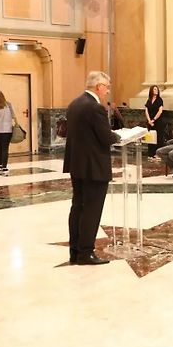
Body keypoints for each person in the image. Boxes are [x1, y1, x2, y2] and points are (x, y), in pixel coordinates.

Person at [63, 71, 120, 265]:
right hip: (94, 167)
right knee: (92, 210)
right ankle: (86, 252)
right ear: (98, 87)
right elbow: (105, 136)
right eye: (107, 87)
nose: (108, 91)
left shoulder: (75, 103)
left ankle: (75, 251)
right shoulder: (95, 107)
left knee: (78, 207)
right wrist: (119, 136)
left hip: (77, 165)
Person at [144, 85, 164, 159]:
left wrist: (154, 119)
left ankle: (158, 153)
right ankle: (151, 153)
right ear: (151, 90)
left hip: (157, 121)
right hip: (150, 121)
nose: (156, 90)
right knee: (150, 137)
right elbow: (146, 110)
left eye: (157, 89)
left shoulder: (159, 100)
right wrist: (149, 120)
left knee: (158, 137)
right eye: (154, 89)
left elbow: (160, 111)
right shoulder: (149, 99)